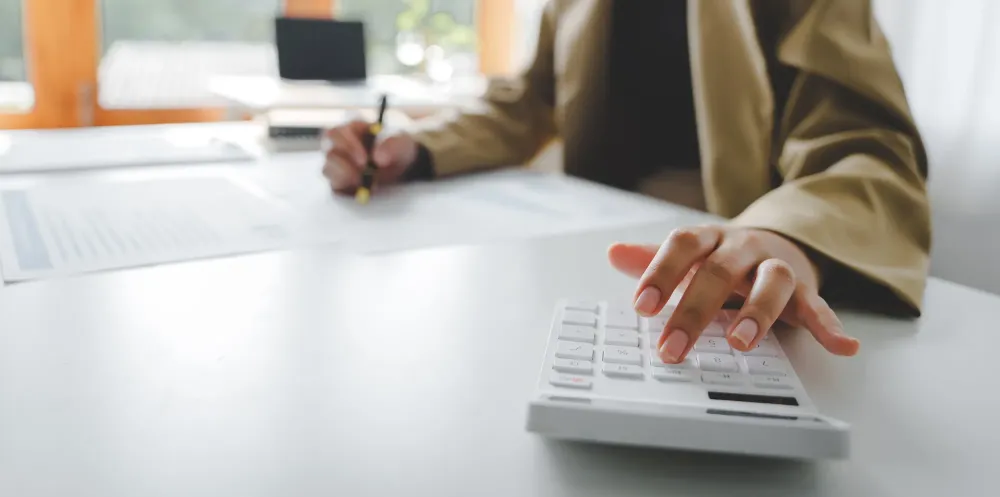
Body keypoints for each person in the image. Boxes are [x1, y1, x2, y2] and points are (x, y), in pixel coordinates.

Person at [322, 0, 931, 365]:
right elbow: (528, 101)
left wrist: (785, 236)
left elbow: (865, 147)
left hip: (738, 261)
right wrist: (420, 147)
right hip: (592, 252)